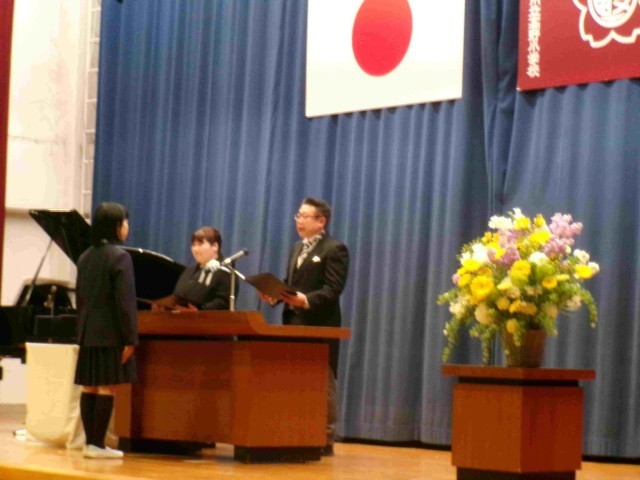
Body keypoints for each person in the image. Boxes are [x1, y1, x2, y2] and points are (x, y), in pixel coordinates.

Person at [259, 197, 349, 456]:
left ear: (321, 221)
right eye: (297, 215)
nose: (298, 220)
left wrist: (305, 300)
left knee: (323, 379)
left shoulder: (335, 249)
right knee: (295, 378)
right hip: (293, 323)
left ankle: (325, 436)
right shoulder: (296, 248)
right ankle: (299, 431)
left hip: (320, 324)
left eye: (304, 216)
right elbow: (291, 283)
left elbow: (333, 289)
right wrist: (275, 295)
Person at [74, 202, 138, 459]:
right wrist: (130, 338)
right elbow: (126, 303)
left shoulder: (84, 257)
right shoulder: (120, 257)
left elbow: (80, 298)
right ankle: (98, 445)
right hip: (110, 333)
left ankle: (90, 443)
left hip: (88, 331)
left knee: (89, 387)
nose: (127, 226)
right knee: (106, 387)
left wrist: (82, 330)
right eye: (125, 222)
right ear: (115, 226)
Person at [171, 226, 233, 310]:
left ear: (215, 246)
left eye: (200, 244)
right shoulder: (189, 270)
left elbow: (223, 303)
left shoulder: (225, 272)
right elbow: (178, 295)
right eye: (193, 245)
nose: (195, 249)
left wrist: (199, 310)